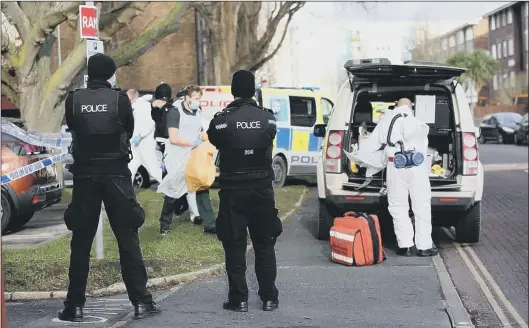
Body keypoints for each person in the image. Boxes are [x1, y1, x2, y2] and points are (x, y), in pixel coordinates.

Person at [59, 53, 160, 322]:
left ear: (89, 74)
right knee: (128, 238)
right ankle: (141, 302)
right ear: (111, 75)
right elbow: (127, 129)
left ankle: (74, 306)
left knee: (80, 242)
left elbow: (74, 129)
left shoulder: (73, 100)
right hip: (116, 175)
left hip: (85, 177)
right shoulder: (119, 101)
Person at [207, 70, 281, 313]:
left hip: (233, 191)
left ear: (233, 90)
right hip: (262, 190)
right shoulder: (268, 119)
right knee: (264, 244)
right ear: (254, 90)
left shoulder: (222, 120)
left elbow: (214, 139)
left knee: (234, 244)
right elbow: (269, 136)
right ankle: (269, 297)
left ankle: (238, 299)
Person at [376, 98, 437, 257]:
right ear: (412, 107)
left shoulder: (385, 122)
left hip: (395, 165)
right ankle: (424, 247)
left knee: (398, 205)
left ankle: (405, 246)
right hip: (417, 167)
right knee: (421, 205)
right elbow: (424, 149)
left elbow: (376, 145)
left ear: (396, 105)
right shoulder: (418, 123)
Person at [156, 84, 206, 235]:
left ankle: (203, 219)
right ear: (187, 97)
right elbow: (173, 138)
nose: (198, 101)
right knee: (173, 191)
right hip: (177, 156)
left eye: (199, 99)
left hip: (193, 155)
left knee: (198, 186)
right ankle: (165, 224)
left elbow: (201, 130)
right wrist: (193, 143)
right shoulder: (175, 112)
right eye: (196, 98)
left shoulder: (198, 111)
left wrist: (206, 139)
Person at [127, 89, 163, 185]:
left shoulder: (144, 106)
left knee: (154, 171)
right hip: (135, 146)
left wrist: (140, 135)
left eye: (129, 99)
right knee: (130, 170)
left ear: (134, 97)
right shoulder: (134, 107)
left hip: (145, 144)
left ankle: (172, 190)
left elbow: (151, 123)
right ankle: (127, 196)